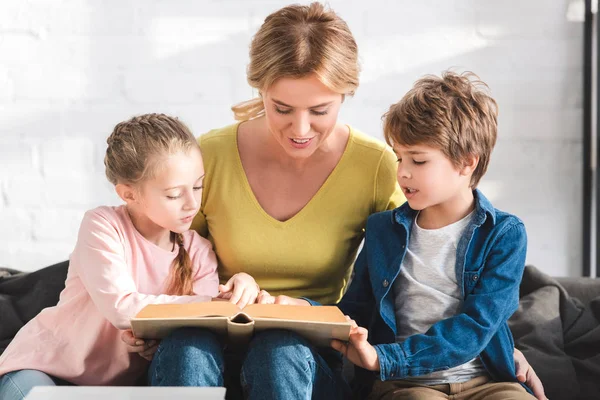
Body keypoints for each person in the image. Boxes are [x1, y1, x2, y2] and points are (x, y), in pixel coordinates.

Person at [122, 3, 545, 400]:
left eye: (319, 110)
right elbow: (165, 253)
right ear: (260, 89)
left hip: (304, 352)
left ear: (345, 95)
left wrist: (498, 345)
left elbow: (430, 260)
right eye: (282, 108)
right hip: (209, 333)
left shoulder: (378, 166)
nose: (300, 128)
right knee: (184, 349)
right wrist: (154, 321)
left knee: (279, 349)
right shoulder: (207, 157)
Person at [0, 113, 258, 400]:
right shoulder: (102, 225)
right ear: (129, 194)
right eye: (174, 194)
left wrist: (237, 288)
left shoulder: (198, 250)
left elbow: (207, 324)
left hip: (118, 387)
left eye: (197, 186)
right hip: (45, 367)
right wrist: (210, 305)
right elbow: (122, 308)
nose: (192, 203)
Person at [331, 71, 541, 400]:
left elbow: (477, 325)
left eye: (418, 160)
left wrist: (385, 358)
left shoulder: (504, 235)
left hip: (487, 381)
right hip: (405, 383)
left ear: (466, 163)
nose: (402, 171)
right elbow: (353, 309)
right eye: (399, 157)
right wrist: (302, 310)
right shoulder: (383, 230)